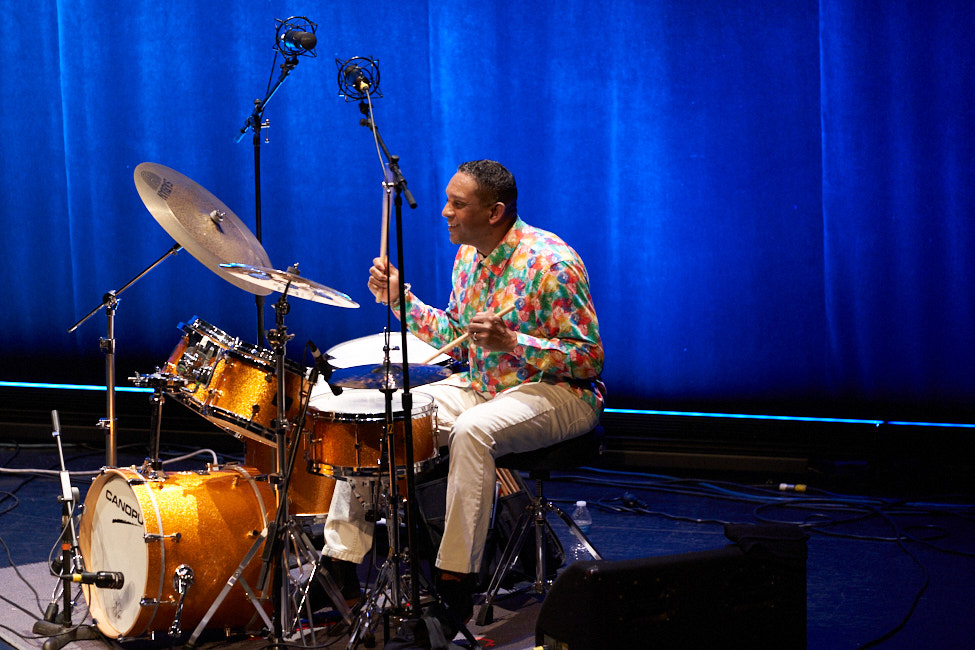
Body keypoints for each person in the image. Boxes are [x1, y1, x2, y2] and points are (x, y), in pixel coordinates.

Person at [318, 159, 605, 629]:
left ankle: (456, 580)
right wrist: (398, 300)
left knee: (474, 431)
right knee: (382, 413)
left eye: (457, 204)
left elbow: (589, 360)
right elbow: (455, 332)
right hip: (487, 386)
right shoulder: (469, 256)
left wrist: (514, 343)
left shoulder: (552, 262)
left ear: (494, 212)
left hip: (560, 392)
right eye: (448, 201)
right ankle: (343, 562)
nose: (445, 212)